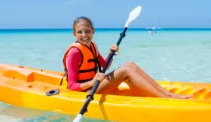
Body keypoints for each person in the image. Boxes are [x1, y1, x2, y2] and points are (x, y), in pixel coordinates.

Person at [62, 16, 192, 99]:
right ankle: (166, 98)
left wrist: (111, 53)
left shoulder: (92, 45)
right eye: (80, 32)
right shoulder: (74, 52)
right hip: (84, 93)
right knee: (125, 71)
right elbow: (72, 86)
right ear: (74, 34)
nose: (84, 35)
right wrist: (91, 82)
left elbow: (104, 65)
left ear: (93, 31)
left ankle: (166, 94)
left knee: (130, 65)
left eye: (87, 31)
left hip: (96, 85)